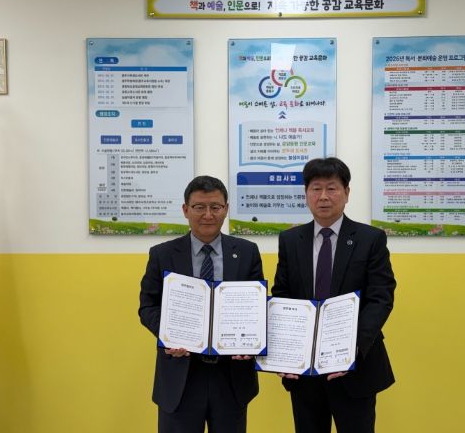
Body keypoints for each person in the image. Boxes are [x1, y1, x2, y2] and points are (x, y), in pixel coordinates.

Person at [271, 157, 396, 433]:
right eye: (316, 188)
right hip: (304, 370)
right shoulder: (290, 240)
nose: (324, 196)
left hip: (355, 367)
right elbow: (282, 296)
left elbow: (381, 298)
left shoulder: (370, 239)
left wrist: (351, 350)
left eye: (332, 188)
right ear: (306, 193)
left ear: (347, 193)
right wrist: (283, 353)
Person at [139, 175, 263, 433]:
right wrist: (169, 334)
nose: (208, 215)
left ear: (226, 209)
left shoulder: (247, 251)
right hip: (180, 376)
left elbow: (256, 306)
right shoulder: (162, 254)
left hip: (231, 376)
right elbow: (148, 306)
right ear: (186, 210)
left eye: (215, 207)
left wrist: (250, 341)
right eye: (199, 207)